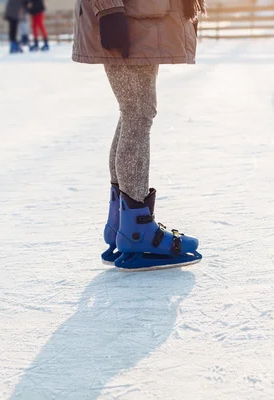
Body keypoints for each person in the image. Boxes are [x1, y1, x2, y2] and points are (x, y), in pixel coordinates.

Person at [72, 0, 205, 270]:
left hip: (140, 19)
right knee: (138, 113)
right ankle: (137, 231)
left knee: (133, 112)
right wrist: (108, 9)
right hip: (129, 19)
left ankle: (122, 222)